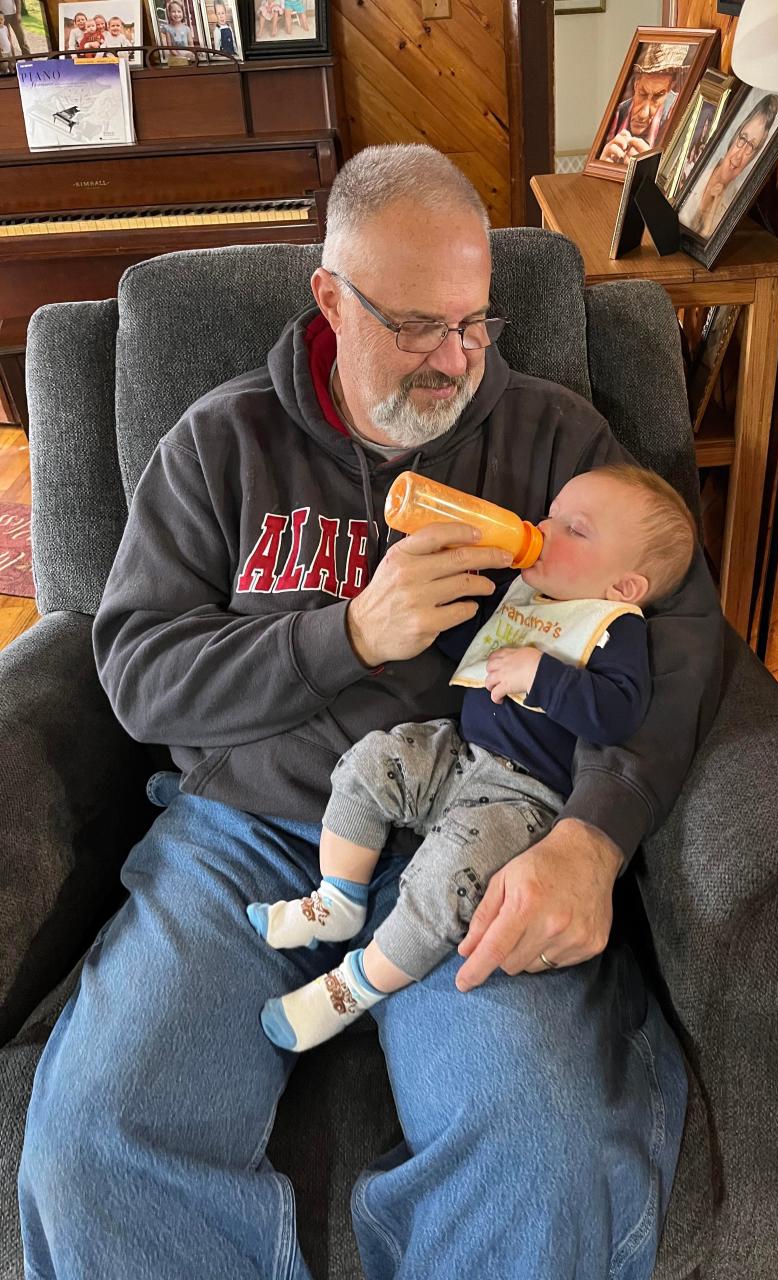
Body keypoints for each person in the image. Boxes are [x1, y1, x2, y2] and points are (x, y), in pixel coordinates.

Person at [19, 143, 724, 1280]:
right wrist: (341, 635)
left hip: (481, 825)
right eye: (415, 328)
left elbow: (682, 628)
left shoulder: (551, 440)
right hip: (244, 831)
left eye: (476, 324)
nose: (454, 364)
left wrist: (597, 837)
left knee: (541, 1144)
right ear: (330, 300)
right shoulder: (218, 442)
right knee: (97, 1141)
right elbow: (137, 670)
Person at [250, 463, 697, 1052]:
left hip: (523, 798)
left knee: (444, 884)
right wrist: (424, 608)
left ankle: (352, 986)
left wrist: (541, 675)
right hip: (460, 752)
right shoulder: (527, 599)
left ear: (623, 587)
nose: (544, 527)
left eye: (574, 530)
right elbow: (470, 643)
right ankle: (337, 897)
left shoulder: (615, 629)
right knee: (372, 762)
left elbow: (617, 713)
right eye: (551, 514)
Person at [681, 93, 778, 239]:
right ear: (735, 136)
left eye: (751, 146)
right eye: (743, 138)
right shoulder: (694, 166)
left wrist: (716, 204)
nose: (739, 156)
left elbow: (705, 245)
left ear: (754, 156)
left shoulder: (735, 206)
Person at [599, 41, 690, 166]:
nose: (643, 114)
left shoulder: (681, 116)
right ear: (635, 84)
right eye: (642, 93)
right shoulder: (618, 112)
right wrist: (602, 164)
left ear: (671, 88)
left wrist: (653, 168)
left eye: (658, 96)